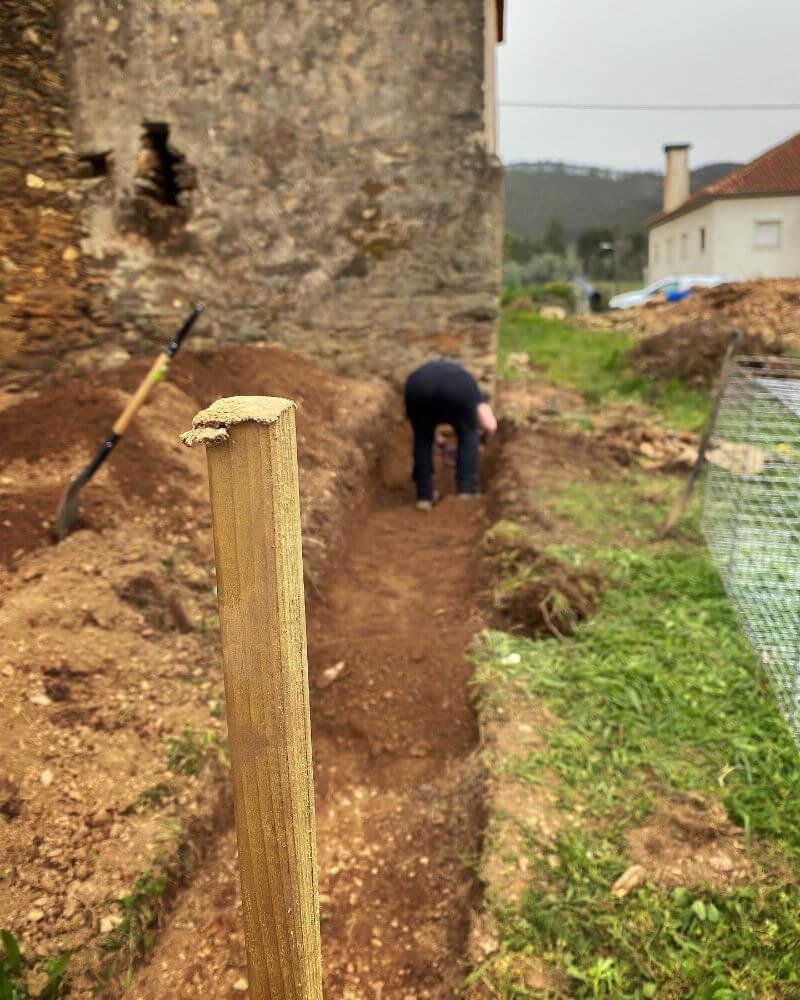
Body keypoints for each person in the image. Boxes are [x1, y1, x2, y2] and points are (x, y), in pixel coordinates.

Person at [403, 359, 498, 510]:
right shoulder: (468, 383)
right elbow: (490, 425)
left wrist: (441, 443)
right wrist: (482, 440)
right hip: (457, 390)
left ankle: (424, 497)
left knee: (422, 438)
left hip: (416, 387)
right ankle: (467, 492)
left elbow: (424, 428)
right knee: (468, 434)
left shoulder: (422, 375)